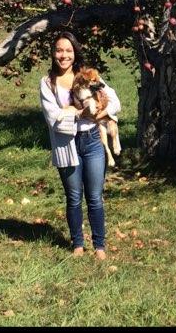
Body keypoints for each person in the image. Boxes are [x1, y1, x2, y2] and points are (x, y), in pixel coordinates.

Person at [39, 31, 121, 260]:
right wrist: (79, 113)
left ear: (75, 53)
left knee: (94, 196)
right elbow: (53, 117)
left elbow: (114, 101)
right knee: (74, 197)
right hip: (67, 144)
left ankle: (99, 246)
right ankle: (77, 244)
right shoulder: (47, 83)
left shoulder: (87, 76)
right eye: (59, 50)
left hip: (93, 140)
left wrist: (102, 113)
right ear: (53, 53)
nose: (63, 55)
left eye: (68, 50)